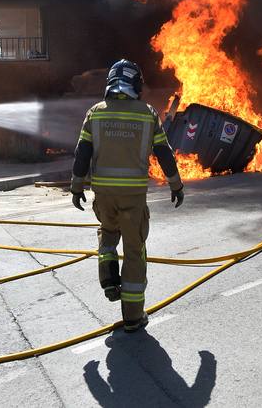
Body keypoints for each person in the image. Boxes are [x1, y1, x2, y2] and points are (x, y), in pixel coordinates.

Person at [70, 59, 184, 333]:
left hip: (104, 195)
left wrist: (76, 187)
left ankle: (108, 276)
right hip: (133, 197)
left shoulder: (95, 113)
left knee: (108, 234)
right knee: (134, 251)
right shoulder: (147, 114)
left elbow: (82, 153)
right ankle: (133, 317)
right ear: (135, 84)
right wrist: (176, 185)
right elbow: (164, 153)